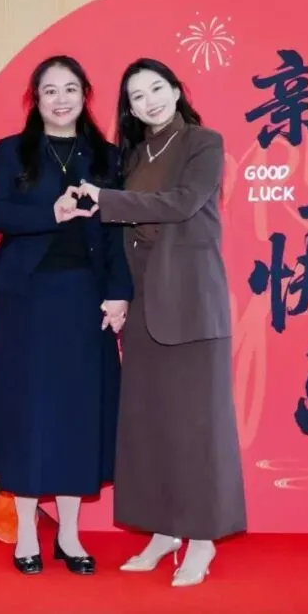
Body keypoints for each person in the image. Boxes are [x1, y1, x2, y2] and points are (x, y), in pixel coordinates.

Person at [76, 58, 247, 588]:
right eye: (136, 96)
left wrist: (105, 200)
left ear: (176, 90)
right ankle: (164, 531)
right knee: (148, 423)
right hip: (144, 300)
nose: (148, 101)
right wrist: (118, 295)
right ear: (128, 108)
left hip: (191, 300)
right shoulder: (132, 153)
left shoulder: (203, 142)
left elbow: (183, 203)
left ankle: (201, 538)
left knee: (198, 426)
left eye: (156, 89)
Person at [0, 54, 132, 576]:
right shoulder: (13, 151)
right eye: (50, 91)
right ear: (35, 99)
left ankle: (69, 534)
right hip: (25, 299)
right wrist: (52, 213)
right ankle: (26, 533)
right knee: (28, 413)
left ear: (85, 94)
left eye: (70, 89)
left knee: (78, 415)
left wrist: (119, 293)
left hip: (84, 297)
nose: (61, 100)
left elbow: (118, 233)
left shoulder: (107, 156)